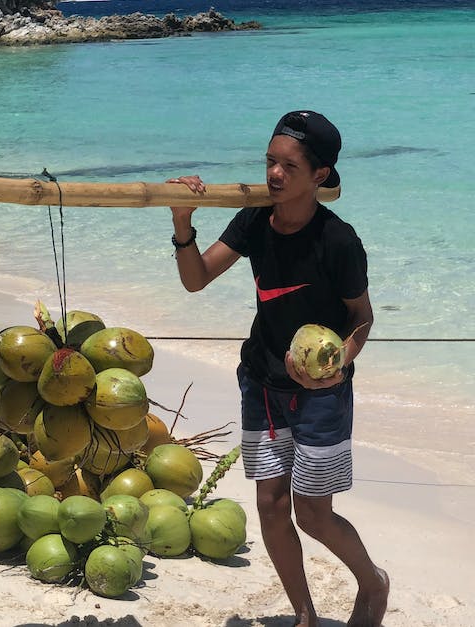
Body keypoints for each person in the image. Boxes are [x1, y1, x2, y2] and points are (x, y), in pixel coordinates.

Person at [167, 111, 388, 627]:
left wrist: (337, 370)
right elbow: (196, 279)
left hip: (321, 393)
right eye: (269, 161)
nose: (273, 175)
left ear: (320, 175)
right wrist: (183, 224)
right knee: (270, 504)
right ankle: (305, 615)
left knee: (313, 514)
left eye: (289, 166)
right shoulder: (253, 220)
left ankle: (373, 582)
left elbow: (362, 318)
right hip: (262, 381)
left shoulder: (338, 241)